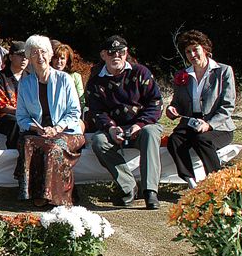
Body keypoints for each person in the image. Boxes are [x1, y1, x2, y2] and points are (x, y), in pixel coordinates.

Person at [86, 35, 164, 209]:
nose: (116, 56)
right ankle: (128, 187)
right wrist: (111, 128)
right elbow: (96, 111)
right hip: (114, 129)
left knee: (151, 133)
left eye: (120, 52)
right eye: (111, 52)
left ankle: (150, 191)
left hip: (143, 125)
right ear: (103, 55)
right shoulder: (95, 81)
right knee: (99, 141)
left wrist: (140, 124)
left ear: (126, 53)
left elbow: (156, 103)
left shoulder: (141, 73)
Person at [15, 35, 85, 206]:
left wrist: (57, 128)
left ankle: (56, 196)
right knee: (27, 143)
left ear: (50, 54)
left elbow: (75, 112)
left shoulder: (65, 79)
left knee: (54, 146)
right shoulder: (25, 84)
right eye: (35, 53)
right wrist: (36, 128)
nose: (40, 57)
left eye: (44, 52)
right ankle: (34, 193)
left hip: (68, 131)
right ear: (29, 58)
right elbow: (21, 117)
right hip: (40, 131)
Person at [165, 29, 236, 187]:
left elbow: (227, 105)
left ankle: (217, 182)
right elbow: (177, 102)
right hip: (191, 123)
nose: (192, 55)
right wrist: (172, 109)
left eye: (195, 49)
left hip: (219, 127)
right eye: (188, 52)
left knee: (202, 140)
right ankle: (190, 181)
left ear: (205, 49)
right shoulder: (182, 75)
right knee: (174, 140)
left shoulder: (223, 71)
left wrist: (209, 124)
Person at [0, 41, 29, 149]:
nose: (24, 59)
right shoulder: (0, 77)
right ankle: (15, 156)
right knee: (15, 123)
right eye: (20, 55)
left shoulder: (30, 78)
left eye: (27, 56)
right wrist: (20, 112)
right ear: (11, 57)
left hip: (27, 116)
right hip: (4, 118)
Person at [50, 41, 85, 108]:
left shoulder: (75, 77)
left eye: (62, 58)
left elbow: (81, 100)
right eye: (56, 58)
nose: (59, 61)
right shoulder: (46, 75)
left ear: (67, 60)